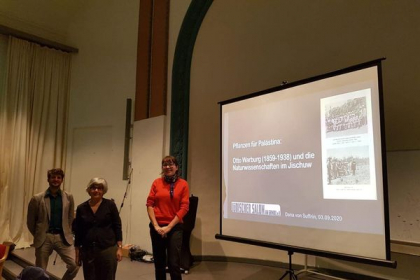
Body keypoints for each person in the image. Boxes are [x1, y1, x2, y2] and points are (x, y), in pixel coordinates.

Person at [27, 168, 79, 280]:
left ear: (62, 180)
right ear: (48, 179)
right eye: (53, 177)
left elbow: (70, 217)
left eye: (58, 177)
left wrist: (66, 230)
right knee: (40, 270)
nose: (56, 179)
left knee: (75, 265)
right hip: (44, 237)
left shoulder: (68, 197)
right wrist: (38, 234)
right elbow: (30, 221)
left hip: (63, 237)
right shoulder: (37, 198)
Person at [146, 156, 190, 280]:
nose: (168, 167)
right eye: (165, 165)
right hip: (157, 227)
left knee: (173, 264)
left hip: (174, 227)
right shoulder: (156, 183)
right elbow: (149, 204)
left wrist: (169, 227)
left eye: (171, 164)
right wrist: (156, 226)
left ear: (176, 167)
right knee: (159, 263)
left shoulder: (183, 184)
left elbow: (184, 207)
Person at [73, 178, 123, 280]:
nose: (96, 191)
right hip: (88, 251)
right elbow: (78, 231)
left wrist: (120, 248)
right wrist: (77, 253)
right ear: (89, 190)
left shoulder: (110, 205)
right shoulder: (81, 208)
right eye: (93, 188)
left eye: (99, 188)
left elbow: (117, 226)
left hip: (107, 249)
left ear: (103, 191)